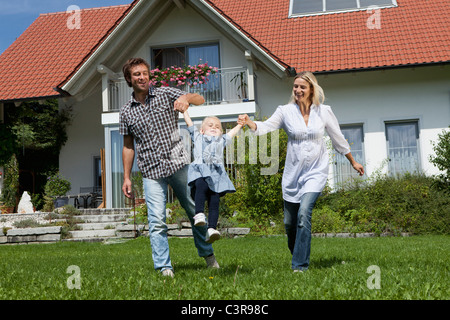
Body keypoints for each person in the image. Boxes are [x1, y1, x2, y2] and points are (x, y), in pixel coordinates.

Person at [238, 71, 364, 272]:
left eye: (302, 87)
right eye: (295, 86)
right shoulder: (285, 111)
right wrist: (249, 122)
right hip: (293, 174)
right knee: (289, 223)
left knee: (304, 214)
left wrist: (353, 161)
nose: (297, 90)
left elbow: (337, 137)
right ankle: (298, 252)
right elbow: (266, 126)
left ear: (311, 89)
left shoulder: (324, 111)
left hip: (316, 171)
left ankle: (299, 266)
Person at [119, 57, 220, 278]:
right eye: (137, 74)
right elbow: (128, 146)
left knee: (196, 211)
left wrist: (184, 97)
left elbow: (199, 99)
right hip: (150, 172)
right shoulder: (126, 111)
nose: (142, 77)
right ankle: (165, 267)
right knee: (156, 221)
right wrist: (126, 177)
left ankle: (208, 255)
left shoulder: (165, 94)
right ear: (129, 79)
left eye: (145, 73)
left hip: (178, 164)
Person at [182, 110, 242, 243]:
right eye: (210, 125)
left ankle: (212, 229)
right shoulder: (198, 137)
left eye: (217, 127)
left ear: (221, 132)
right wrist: (184, 111)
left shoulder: (222, 141)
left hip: (216, 179)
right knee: (201, 184)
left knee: (214, 201)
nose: (214, 127)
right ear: (202, 130)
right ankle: (199, 214)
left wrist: (240, 125)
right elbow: (190, 125)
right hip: (201, 174)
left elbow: (231, 133)